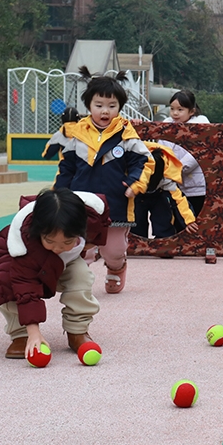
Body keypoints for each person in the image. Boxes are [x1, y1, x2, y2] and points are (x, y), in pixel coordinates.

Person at [54, 66, 154, 294]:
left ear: (120, 107)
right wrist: (59, 194)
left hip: (115, 202)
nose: (105, 111)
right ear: (88, 106)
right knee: (82, 247)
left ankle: (116, 268)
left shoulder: (127, 135)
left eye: (112, 106)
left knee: (113, 249)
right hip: (82, 202)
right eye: (99, 105)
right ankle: (79, 280)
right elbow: (66, 167)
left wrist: (135, 184)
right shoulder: (76, 135)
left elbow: (144, 162)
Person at [0, 189, 110, 359]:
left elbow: (103, 220)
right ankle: (21, 335)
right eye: (50, 241)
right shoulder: (24, 245)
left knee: (81, 275)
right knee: (5, 284)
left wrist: (93, 242)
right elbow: (25, 288)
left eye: (67, 242)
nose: (58, 248)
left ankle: (77, 331)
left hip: (59, 264)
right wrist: (34, 332)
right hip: (16, 266)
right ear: (39, 231)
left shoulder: (91, 216)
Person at [159, 90, 209, 219]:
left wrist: (177, 169)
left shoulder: (201, 125)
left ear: (191, 111)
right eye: (172, 109)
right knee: (177, 221)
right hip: (174, 186)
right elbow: (163, 149)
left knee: (196, 219)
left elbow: (197, 152)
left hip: (196, 187)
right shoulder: (166, 126)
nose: (175, 113)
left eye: (180, 109)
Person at [132, 143, 199, 239]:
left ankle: (164, 239)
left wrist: (189, 220)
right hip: (136, 193)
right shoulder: (131, 171)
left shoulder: (166, 178)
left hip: (159, 193)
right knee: (135, 220)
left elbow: (179, 200)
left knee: (163, 218)